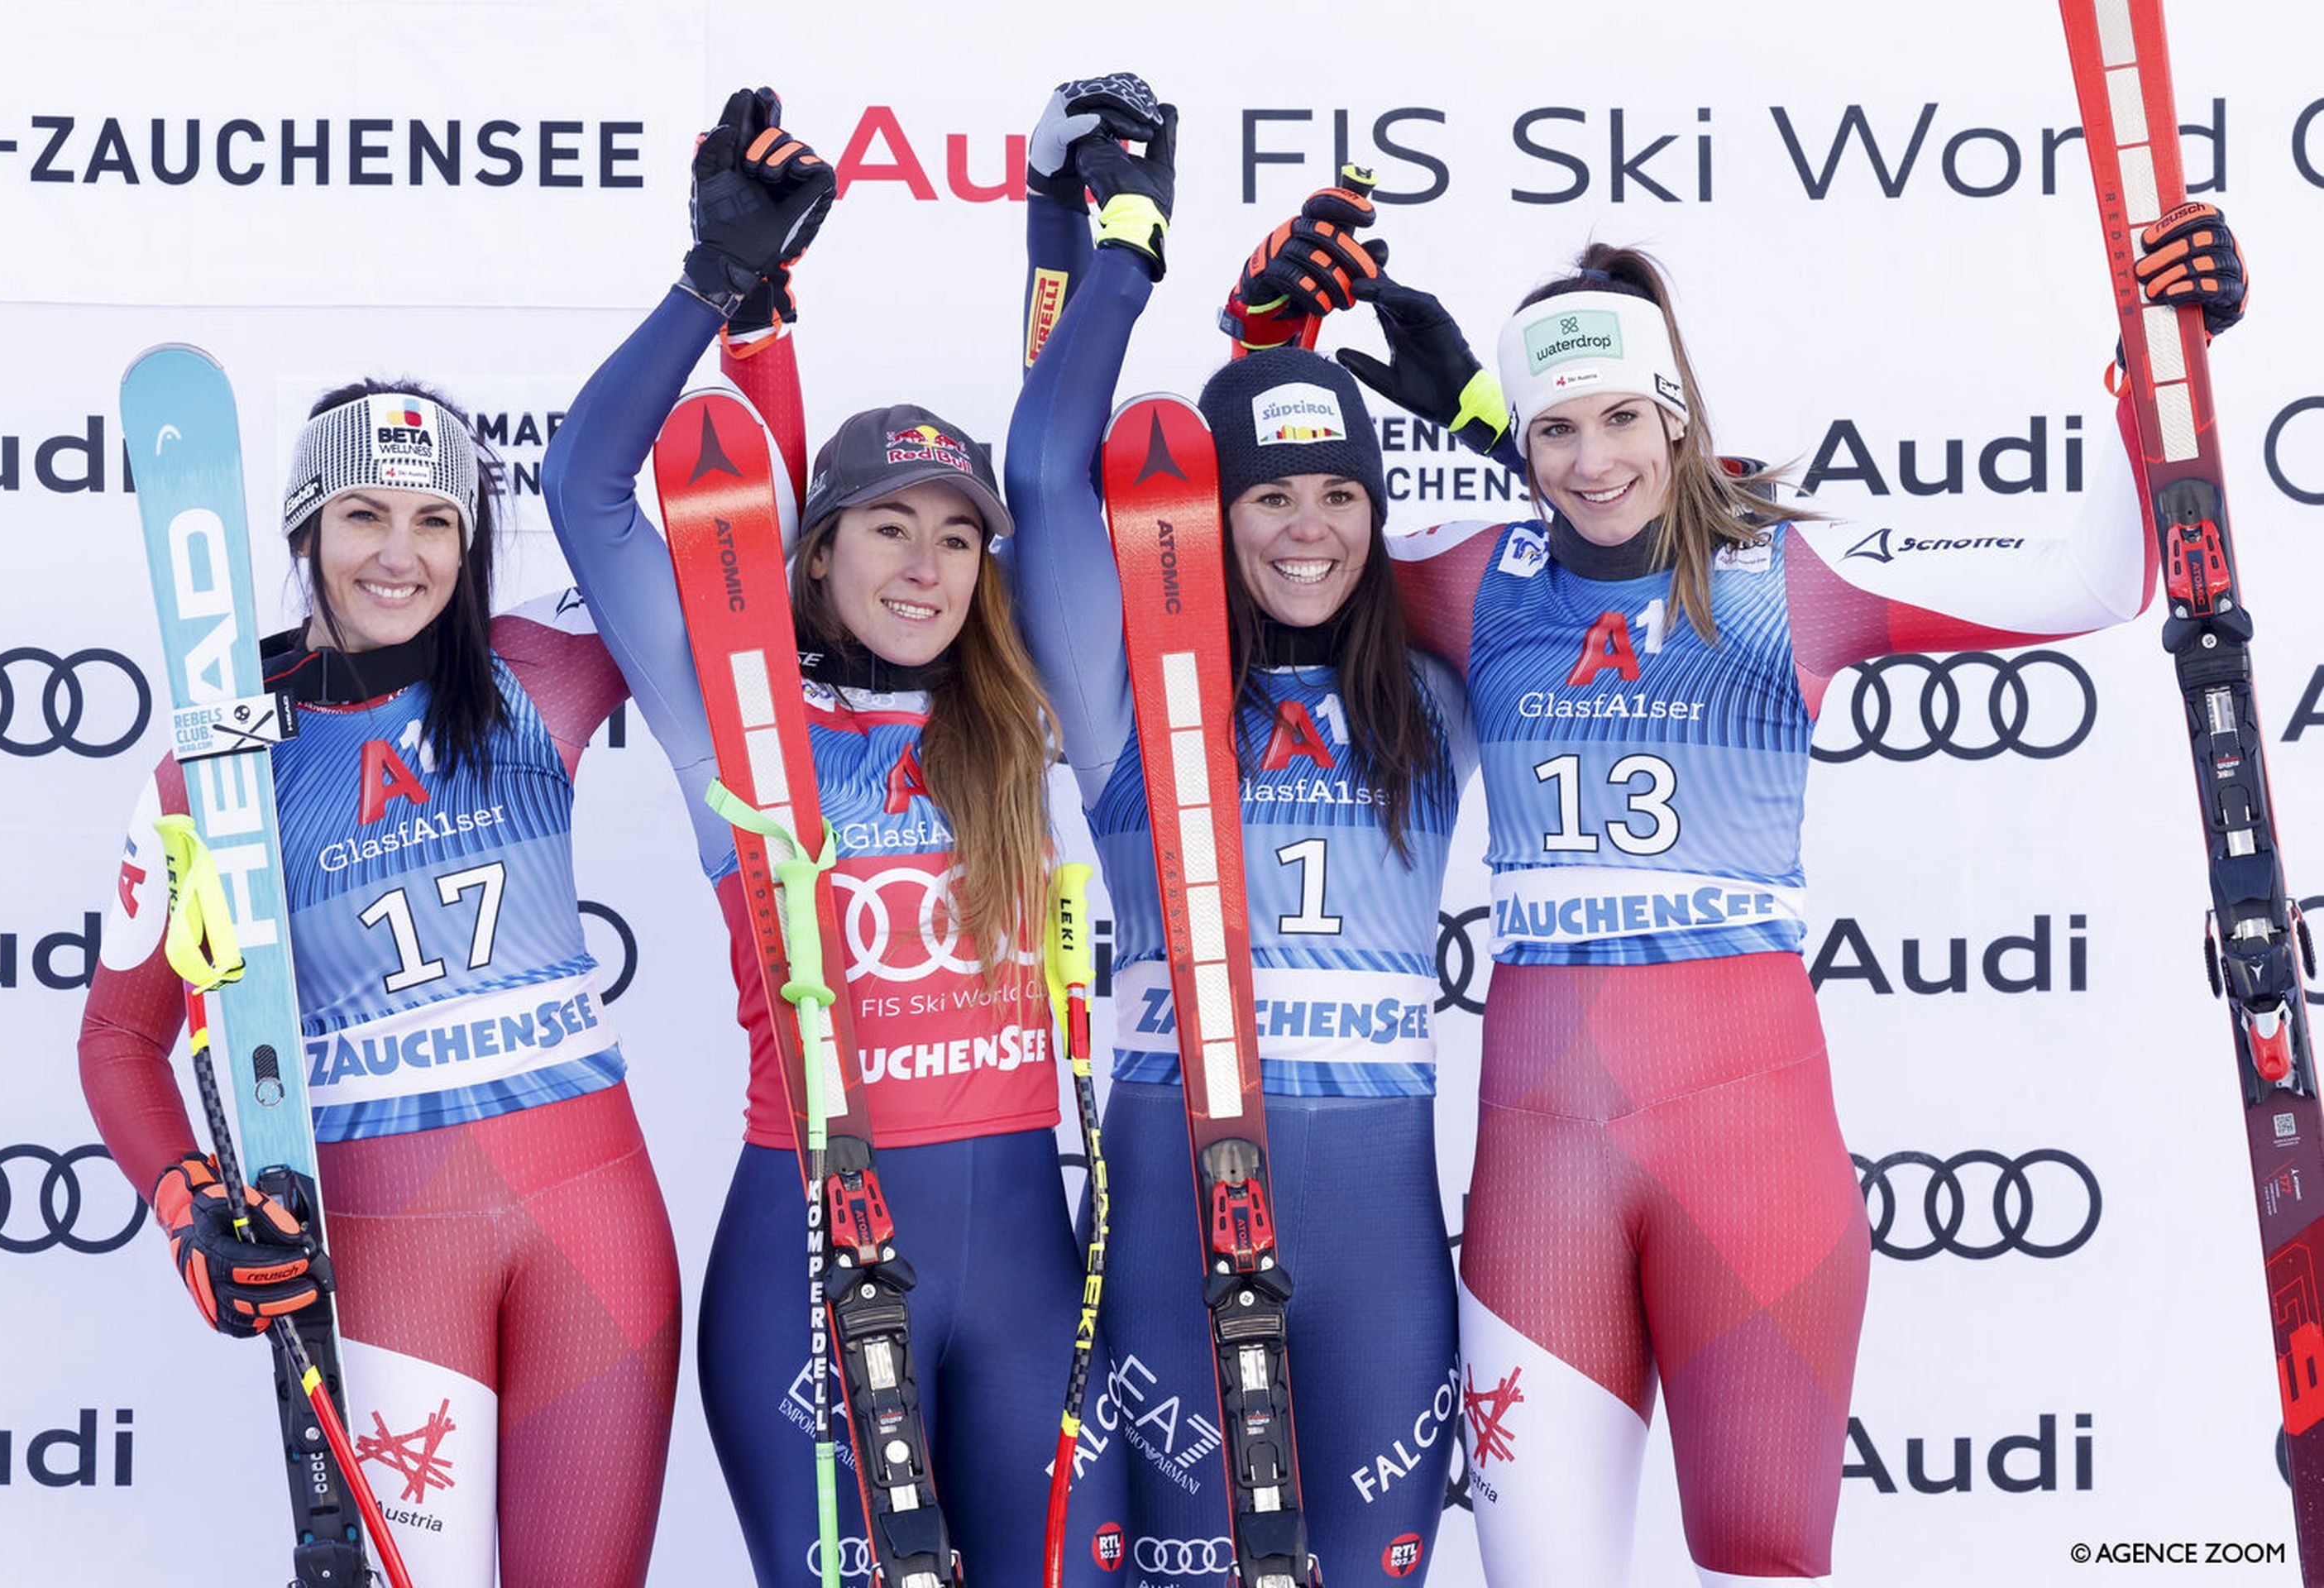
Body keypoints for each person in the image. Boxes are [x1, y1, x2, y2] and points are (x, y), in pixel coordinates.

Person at [1307, 206, 2251, 1585]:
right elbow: (1277, 543)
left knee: (1759, 1556)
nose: (1590, 459)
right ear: (1518, 439)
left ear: (1678, 417)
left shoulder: (1791, 574)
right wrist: (1278, 343)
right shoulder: (1470, 576)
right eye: (1555, 430)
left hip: (1749, 1152)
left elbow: (2100, 578)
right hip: (1542, 1166)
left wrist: (2152, 362)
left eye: (1623, 418)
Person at [542, 87, 1129, 1586]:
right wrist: (710, 288)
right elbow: (588, 489)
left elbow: (1058, 458)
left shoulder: (1030, 709)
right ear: (817, 549)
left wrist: (1075, 216)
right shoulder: (738, 714)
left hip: (1029, 1268)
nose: (926, 565)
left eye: (954, 533)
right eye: (888, 524)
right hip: (807, 1254)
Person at [79, 380, 680, 1588]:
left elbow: (725, 548)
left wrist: (743, 306)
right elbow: (117, 1039)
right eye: (364, 514)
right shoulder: (218, 761)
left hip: (598, 1234)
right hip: (392, 1241)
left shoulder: (543, 664)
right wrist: (189, 1205)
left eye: (436, 520)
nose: (399, 555)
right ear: (306, 531)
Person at [1007, 84, 1470, 1585]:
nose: (1308, 528)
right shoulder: (1134, 694)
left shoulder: (1441, 692)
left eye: (1343, 494)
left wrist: (1458, 403)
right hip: (1170, 1215)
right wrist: (1107, 244)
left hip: (1381, 1236)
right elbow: (1041, 477)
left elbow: (1634, 531)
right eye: (1267, 497)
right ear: (1209, 518)